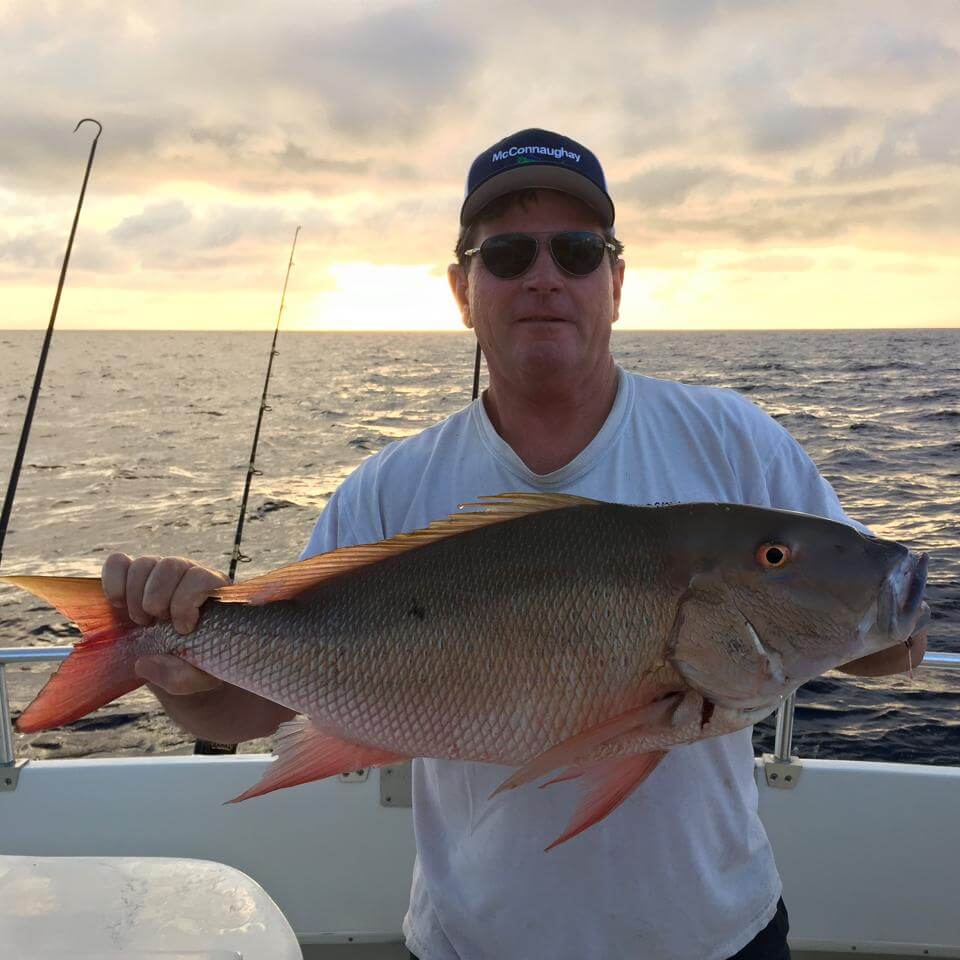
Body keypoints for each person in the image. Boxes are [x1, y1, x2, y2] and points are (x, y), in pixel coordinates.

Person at [102, 128, 926, 960]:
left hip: (718, 936)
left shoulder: (734, 442)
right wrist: (178, 659)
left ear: (616, 282)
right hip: (475, 943)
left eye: (576, 251)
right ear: (463, 289)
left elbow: (889, 634)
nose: (543, 277)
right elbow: (244, 709)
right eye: (506, 257)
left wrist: (881, 622)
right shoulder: (388, 488)